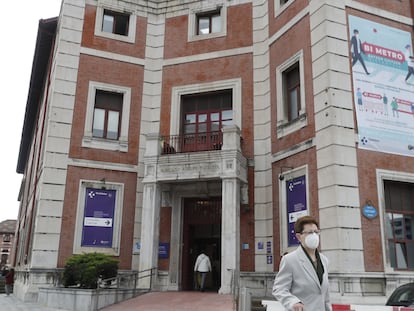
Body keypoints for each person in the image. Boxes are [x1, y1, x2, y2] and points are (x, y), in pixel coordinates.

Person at [272, 216, 331, 311]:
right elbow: (279, 289)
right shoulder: (290, 260)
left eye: (316, 232)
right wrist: (293, 302)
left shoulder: (324, 260)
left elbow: (325, 295)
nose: (314, 236)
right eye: (310, 233)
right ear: (299, 237)